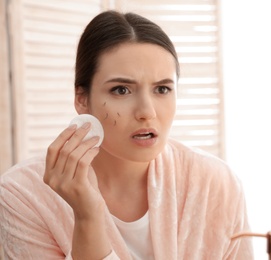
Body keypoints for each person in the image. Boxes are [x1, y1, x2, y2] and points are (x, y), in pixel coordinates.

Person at [0, 10, 253, 259]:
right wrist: (88, 217)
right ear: (82, 99)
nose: (147, 112)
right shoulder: (23, 195)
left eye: (162, 89)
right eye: (121, 90)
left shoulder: (216, 183)